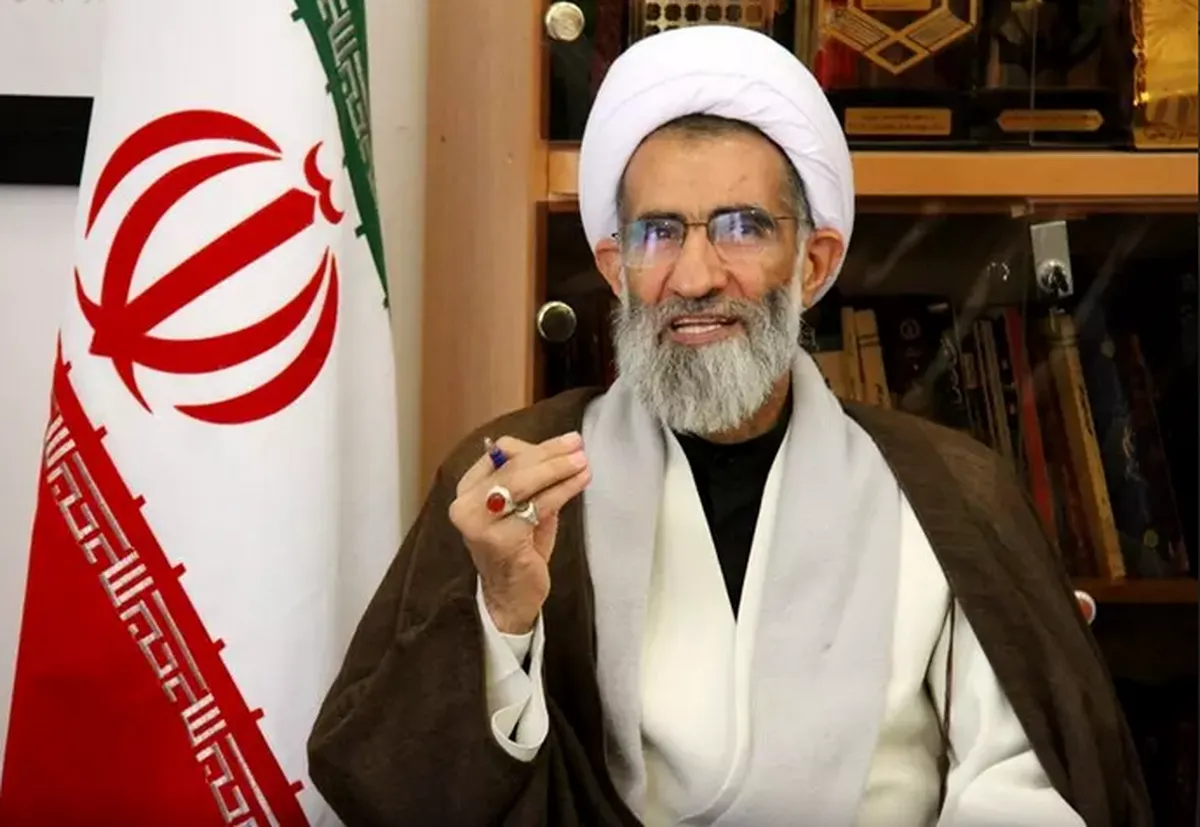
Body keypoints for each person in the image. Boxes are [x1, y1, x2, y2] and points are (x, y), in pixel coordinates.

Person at [307, 25, 1150, 827]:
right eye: (658, 233)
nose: (695, 276)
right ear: (616, 266)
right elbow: (399, 795)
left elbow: (1021, 782)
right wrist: (502, 613)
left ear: (812, 263)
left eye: (742, 227)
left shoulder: (948, 494)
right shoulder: (516, 478)